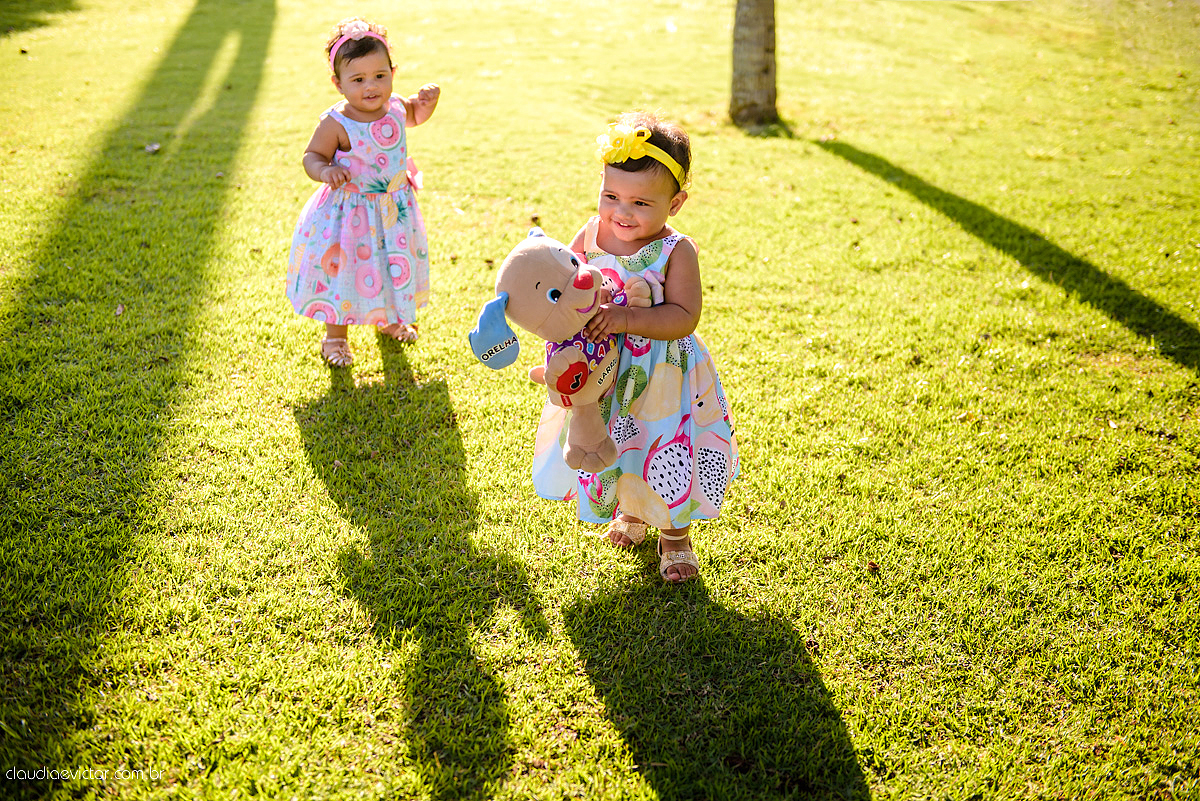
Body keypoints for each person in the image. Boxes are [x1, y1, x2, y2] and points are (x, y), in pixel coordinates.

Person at [532, 112, 739, 583]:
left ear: (676, 202)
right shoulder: (589, 236)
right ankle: (630, 509)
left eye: (641, 202)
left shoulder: (675, 251)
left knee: (665, 448)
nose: (622, 213)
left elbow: (684, 317)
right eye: (611, 196)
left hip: (662, 375)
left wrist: (626, 317)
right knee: (619, 445)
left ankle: (675, 536)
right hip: (603, 372)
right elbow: (562, 288)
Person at [286, 17, 440, 367]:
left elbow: (414, 115)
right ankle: (335, 338)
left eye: (379, 76)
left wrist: (426, 104)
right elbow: (312, 156)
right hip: (347, 215)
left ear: (392, 71)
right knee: (344, 272)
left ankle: (389, 319)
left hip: (391, 211)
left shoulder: (397, 106)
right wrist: (326, 170)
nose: (371, 87)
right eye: (358, 80)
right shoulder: (336, 122)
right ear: (337, 84)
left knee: (390, 265)